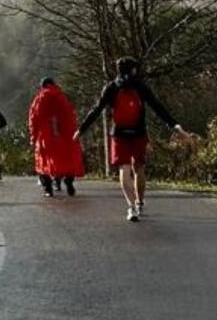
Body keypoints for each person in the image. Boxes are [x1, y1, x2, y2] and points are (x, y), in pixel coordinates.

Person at [76, 57, 191, 222]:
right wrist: (174, 125)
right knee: (139, 168)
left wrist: (81, 129)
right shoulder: (140, 87)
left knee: (124, 169)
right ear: (133, 70)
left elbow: (97, 109)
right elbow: (157, 106)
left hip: (118, 133)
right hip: (138, 132)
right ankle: (140, 202)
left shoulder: (111, 87)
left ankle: (131, 207)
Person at [28, 78, 84, 197]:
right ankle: (68, 182)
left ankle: (48, 189)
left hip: (46, 136)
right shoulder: (62, 97)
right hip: (64, 135)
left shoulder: (39, 99)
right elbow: (71, 116)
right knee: (66, 160)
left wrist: (33, 136)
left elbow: (33, 119)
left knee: (44, 162)